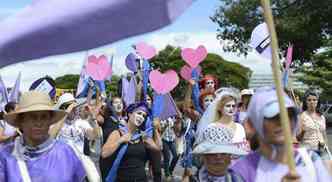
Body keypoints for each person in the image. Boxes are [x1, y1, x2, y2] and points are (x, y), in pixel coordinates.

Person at [230, 87, 332, 182]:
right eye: (273, 116)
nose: (283, 122)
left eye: (289, 115)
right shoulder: (240, 171)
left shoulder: (311, 160)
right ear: (252, 124)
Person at [0, 91, 86, 181]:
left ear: (50, 121)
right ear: (21, 121)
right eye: (32, 117)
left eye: (44, 117)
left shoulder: (66, 152)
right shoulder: (5, 155)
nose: (39, 122)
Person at [101, 102, 160, 182]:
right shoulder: (118, 133)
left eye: (144, 116)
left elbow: (158, 148)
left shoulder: (142, 136)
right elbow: (104, 154)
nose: (141, 117)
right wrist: (120, 140)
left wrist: (155, 129)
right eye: (139, 113)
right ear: (129, 114)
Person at [297, 89, 330, 156]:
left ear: (318, 101)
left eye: (314, 100)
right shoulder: (301, 116)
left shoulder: (322, 117)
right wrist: (303, 131)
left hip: (321, 149)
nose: (312, 102)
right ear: (305, 102)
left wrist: (326, 146)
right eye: (309, 100)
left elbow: (324, 134)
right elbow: (298, 138)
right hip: (308, 150)